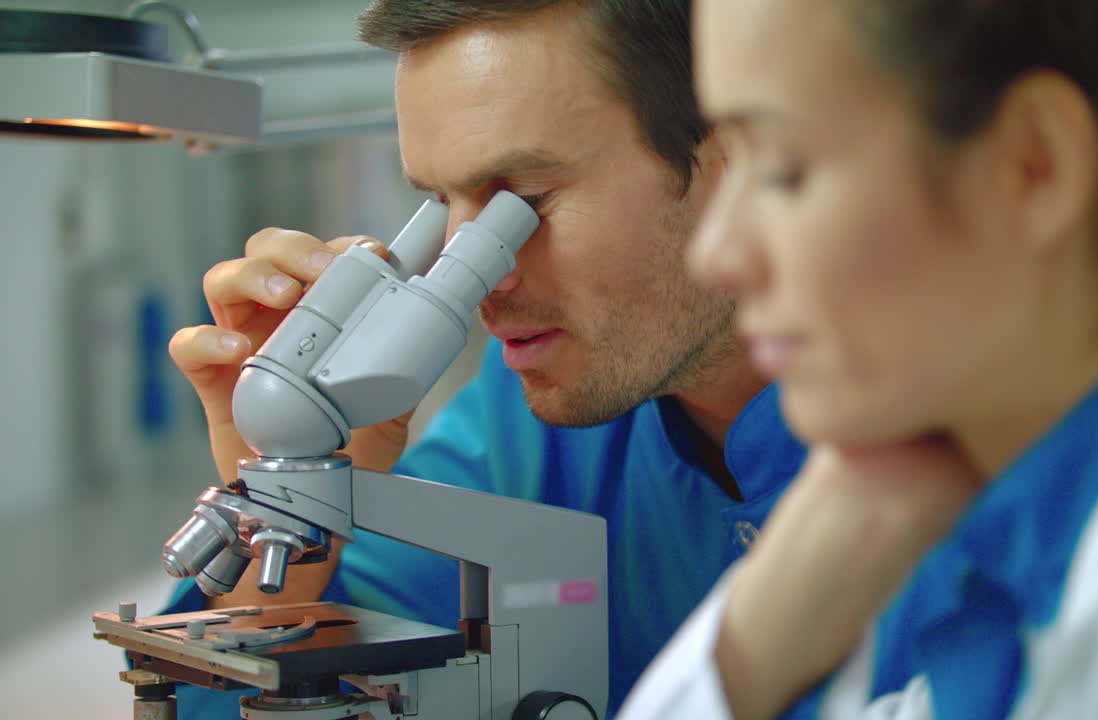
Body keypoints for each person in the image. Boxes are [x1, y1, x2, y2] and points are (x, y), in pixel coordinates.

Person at [618, 0, 1098, 718]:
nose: (715, 254)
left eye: (783, 169)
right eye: (728, 163)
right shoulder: (1060, 557)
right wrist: (766, 623)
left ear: (1034, 164)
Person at [162, 1, 804, 718]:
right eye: (443, 205)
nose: (478, 281)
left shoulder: (922, 422)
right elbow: (228, 698)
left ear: (734, 154)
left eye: (524, 202)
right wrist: (297, 486)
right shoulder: (522, 419)